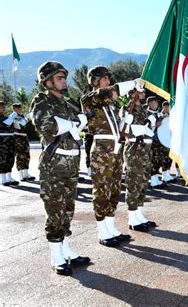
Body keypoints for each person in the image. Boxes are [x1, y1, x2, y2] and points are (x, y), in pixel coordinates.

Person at [31, 61, 90, 275]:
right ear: (47, 82)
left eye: (64, 77)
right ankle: (56, 256)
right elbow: (47, 126)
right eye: (59, 78)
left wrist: (77, 121)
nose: (64, 80)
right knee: (55, 211)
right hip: (54, 166)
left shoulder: (67, 104)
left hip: (71, 164)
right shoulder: (42, 101)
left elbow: (82, 120)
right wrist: (73, 124)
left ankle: (66, 250)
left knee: (67, 210)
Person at [81, 65, 140, 247]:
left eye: (108, 78)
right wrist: (133, 84)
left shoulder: (110, 106)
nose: (108, 81)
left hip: (115, 151)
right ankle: (102, 231)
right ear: (95, 81)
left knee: (114, 190)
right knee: (101, 191)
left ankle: (111, 227)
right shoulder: (90, 99)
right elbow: (111, 92)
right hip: (101, 152)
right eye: (105, 78)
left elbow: (118, 130)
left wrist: (125, 122)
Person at [120, 89, 157, 232]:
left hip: (146, 150)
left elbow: (151, 128)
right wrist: (147, 125)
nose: (143, 94)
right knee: (134, 183)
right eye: (140, 92)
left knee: (142, 183)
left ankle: (139, 215)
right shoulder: (127, 108)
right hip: (135, 150)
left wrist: (152, 124)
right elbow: (132, 129)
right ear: (132, 94)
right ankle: (132, 217)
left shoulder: (142, 109)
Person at [147, 96, 166, 189]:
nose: (155, 104)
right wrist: (161, 119)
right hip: (151, 141)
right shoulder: (148, 114)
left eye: (156, 102)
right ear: (149, 104)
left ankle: (155, 179)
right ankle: (153, 181)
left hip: (158, 141)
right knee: (153, 160)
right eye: (153, 103)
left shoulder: (156, 113)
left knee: (158, 160)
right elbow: (156, 125)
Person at [12, 103, 35, 181]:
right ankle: (21, 174)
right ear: (14, 109)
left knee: (26, 155)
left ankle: (26, 172)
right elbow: (21, 124)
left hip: (24, 137)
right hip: (18, 137)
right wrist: (27, 117)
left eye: (20, 108)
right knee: (20, 155)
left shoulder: (22, 116)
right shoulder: (13, 116)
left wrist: (29, 117)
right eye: (18, 108)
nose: (20, 110)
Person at [0, 101, 19, 186]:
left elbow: (16, 127)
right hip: (2, 139)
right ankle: (3, 179)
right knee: (2, 158)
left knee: (10, 158)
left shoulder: (5, 117)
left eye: (4, 106)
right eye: (2, 106)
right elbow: (5, 125)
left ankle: (9, 176)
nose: (3, 107)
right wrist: (11, 117)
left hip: (10, 139)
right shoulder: (5, 118)